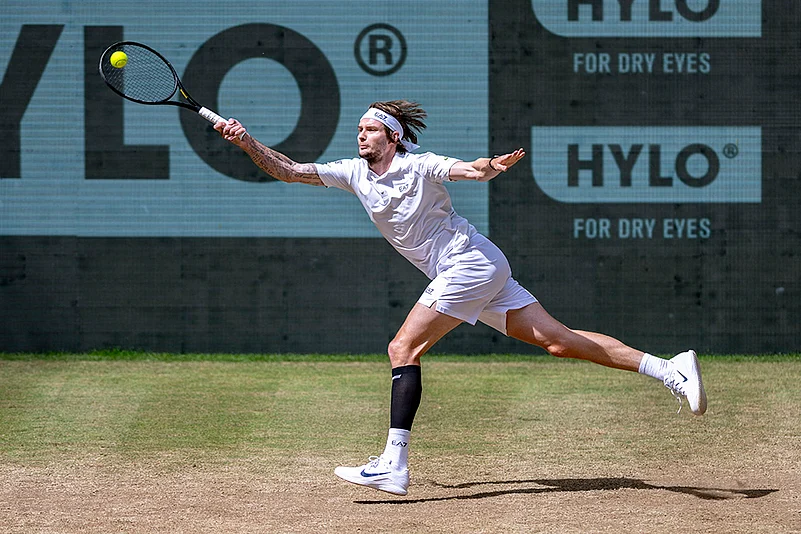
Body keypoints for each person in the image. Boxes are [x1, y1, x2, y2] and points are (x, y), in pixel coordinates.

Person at [214, 100, 707, 496]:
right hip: (482, 267)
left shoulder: (421, 166)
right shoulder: (353, 173)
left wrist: (489, 167)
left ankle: (393, 464)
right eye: (359, 129)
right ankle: (670, 369)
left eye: (370, 129)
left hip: (468, 264)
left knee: (401, 349)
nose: (361, 135)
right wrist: (245, 141)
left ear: (394, 137)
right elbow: (290, 170)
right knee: (559, 342)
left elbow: (469, 170)